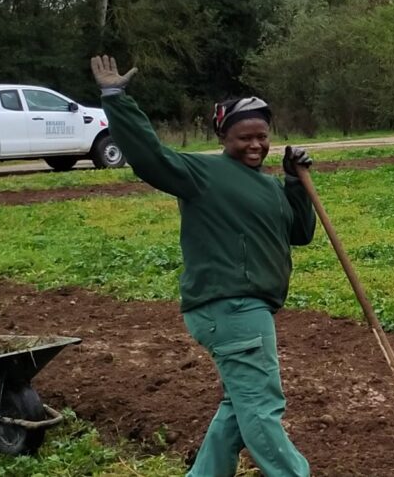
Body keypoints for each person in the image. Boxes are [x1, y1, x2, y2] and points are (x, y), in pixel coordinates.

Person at [90, 55, 316, 477]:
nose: (254, 145)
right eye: (243, 138)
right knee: (262, 408)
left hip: (244, 310)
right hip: (231, 307)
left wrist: (293, 181)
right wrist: (115, 98)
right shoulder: (202, 173)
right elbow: (150, 157)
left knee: (239, 405)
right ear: (222, 137)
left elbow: (300, 232)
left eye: (261, 137)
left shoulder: (268, 186)